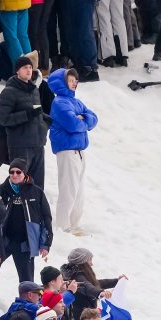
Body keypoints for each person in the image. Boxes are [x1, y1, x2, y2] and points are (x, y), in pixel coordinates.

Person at [48, 68, 98, 233]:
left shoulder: (76, 102)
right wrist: (82, 120)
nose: (75, 83)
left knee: (79, 191)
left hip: (80, 151)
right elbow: (72, 124)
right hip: (67, 151)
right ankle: (63, 226)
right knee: (68, 190)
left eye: (75, 80)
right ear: (62, 83)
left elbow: (93, 118)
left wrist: (83, 119)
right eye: (70, 80)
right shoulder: (59, 102)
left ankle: (75, 225)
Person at [0, 158, 53, 286]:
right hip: (4, 241)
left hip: (25, 244)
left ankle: (27, 305)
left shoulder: (36, 192)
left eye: (18, 172)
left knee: (27, 281)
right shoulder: (0, 190)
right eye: (11, 172)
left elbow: (46, 218)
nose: (14, 175)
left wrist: (45, 243)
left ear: (25, 174)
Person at [0, 58, 48, 187]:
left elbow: (37, 113)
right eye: (25, 67)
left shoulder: (34, 90)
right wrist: (27, 115)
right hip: (20, 146)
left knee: (37, 187)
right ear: (17, 71)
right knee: (19, 185)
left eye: (30, 67)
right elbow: (4, 119)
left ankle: (36, 208)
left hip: (38, 144)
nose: (29, 70)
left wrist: (47, 122)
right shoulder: (8, 92)